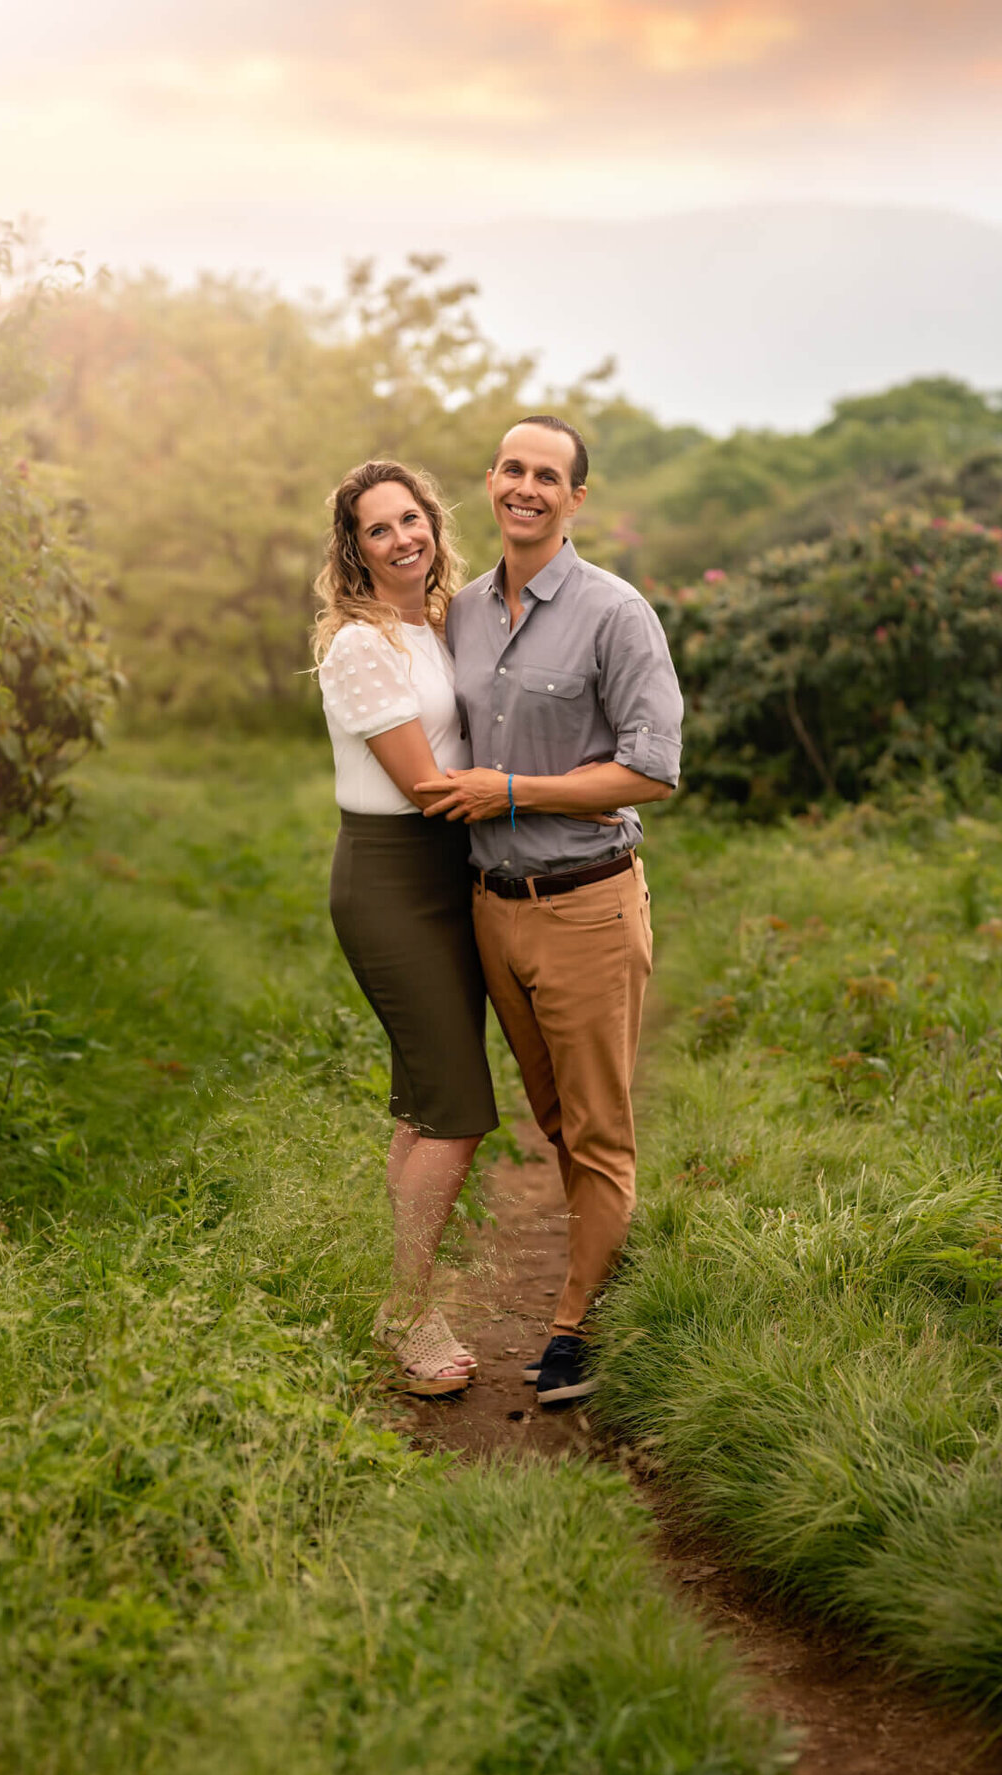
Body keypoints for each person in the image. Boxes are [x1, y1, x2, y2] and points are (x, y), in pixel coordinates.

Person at [417, 415, 683, 1406]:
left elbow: (655, 768)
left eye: (549, 475)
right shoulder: (462, 612)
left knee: (598, 1128)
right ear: (490, 482)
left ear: (576, 498)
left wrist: (514, 790)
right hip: (494, 909)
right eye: (513, 468)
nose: (527, 486)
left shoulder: (618, 614)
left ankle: (576, 1328)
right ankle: (615, 1274)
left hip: (586, 904)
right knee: (557, 1121)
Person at [313, 459, 499, 1397]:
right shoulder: (360, 645)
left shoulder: (447, 622)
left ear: (434, 522)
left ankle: (398, 1292)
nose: (403, 539)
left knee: (424, 1101)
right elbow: (428, 786)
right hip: (392, 878)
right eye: (378, 529)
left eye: (412, 518)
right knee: (459, 1112)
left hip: (449, 873)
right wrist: (551, 805)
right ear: (356, 550)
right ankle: (408, 1309)